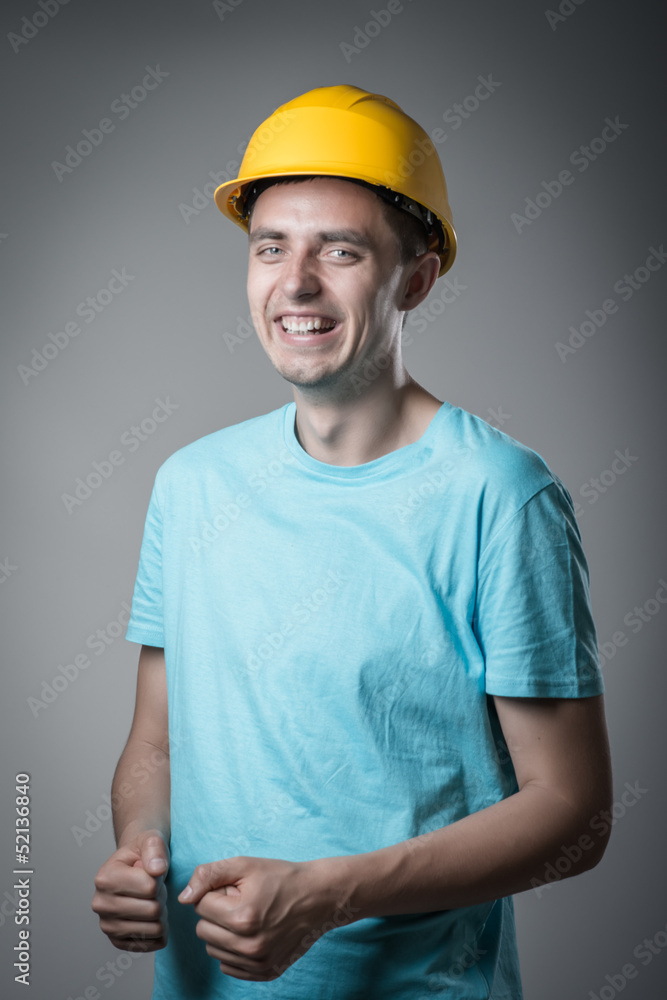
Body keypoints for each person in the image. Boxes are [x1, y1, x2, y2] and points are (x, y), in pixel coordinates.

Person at [92, 85, 612, 999]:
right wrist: (139, 847)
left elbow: (572, 816)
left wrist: (329, 895)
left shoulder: (501, 496)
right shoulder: (190, 483)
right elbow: (157, 744)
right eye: (270, 248)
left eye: (340, 251)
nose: (295, 284)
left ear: (415, 277)